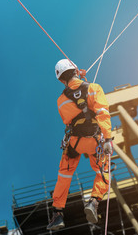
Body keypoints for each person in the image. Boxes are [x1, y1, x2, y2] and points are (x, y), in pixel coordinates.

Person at [47, 59, 113, 231]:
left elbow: (68, 118)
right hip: (95, 140)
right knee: (103, 172)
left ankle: (58, 213)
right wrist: (107, 138)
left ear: (61, 79)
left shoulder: (60, 100)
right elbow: (102, 112)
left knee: (64, 175)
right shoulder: (93, 88)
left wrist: (78, 81)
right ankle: (94, 201)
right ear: (75, 70)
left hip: (75, 143)